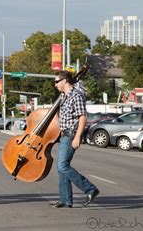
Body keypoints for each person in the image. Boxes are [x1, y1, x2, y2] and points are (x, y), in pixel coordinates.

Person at [52, 71, 99, 208]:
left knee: (62, 165)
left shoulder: (76, 96)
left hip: (71, 134)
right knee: (60, 167)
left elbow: (83, 117)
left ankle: (90, 189)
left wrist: (77, 137)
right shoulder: (64, 96)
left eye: (56, 82)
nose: (55, 85)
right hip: (63, 135)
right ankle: (65, 199)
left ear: (65, 81)